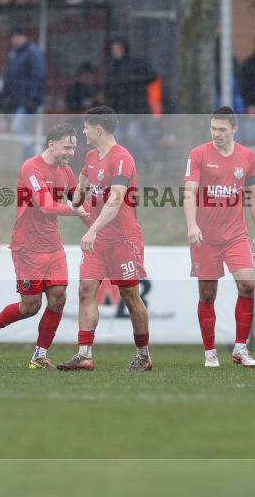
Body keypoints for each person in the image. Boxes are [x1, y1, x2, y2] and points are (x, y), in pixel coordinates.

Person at [0, 123, 89, 369]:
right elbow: (46, 206)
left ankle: (39, 355)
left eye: (74, 148)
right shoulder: (31, 168)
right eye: (67, 147)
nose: (71, 152)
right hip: (27, 247)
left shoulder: (66, 172)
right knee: (30, 307)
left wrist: (96, 227)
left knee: (58, 298)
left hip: (53, 246)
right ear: (51, 144)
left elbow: (78, 204)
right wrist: (73, 209)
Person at [57, 106, 152, 371]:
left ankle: (143, 356)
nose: (83, 131)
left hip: (123, 240)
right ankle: (84, 354)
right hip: (98, 242)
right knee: (86, 290)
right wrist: (74, 195)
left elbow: (116, 199)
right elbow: (81, 189)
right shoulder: (90, 156)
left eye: (86, 126)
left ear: (99, 129)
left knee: (130, 295)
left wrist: (92, 229)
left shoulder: (122, 158)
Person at [184, 107, 255, 368]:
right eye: (213, 129)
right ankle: (210, 353)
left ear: (234, 129)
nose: (216, 134)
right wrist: (192, 225)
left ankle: (240, 349)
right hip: (205, 238)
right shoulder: (198, 155)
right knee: (208, 294)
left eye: (221, 129)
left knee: (248, 286)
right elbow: (189, 192)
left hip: (235, 236)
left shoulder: (247, 157)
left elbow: (252, 194)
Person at [4, 26, 46, 159]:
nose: (14, 41)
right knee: (22, 132)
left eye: (15, 38)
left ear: (22, 36)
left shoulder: (33, 52)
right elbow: (10, 77)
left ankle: (33, 159)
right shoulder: (14, 54)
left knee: (20, 129)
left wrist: (33, 98)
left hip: (29, 102)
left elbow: (39, 76)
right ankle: (28, 162)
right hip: (19, 102)